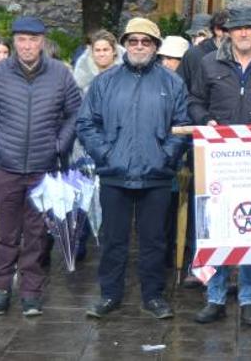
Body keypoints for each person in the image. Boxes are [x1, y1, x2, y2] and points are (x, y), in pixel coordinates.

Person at [77, 17, 189, 320]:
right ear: (125, 44)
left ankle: (153, 296)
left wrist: (165, 157)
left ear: (156, 46)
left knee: (154, 241)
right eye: (134, 41)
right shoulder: (106, 81)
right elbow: (86, 123)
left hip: (156, 176)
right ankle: (109, 294)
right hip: (115, 174)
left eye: (146, 41)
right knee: (114, 239)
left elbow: (182, 126)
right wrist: (106, 154)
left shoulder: (172, 82)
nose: (140, 46)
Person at [0, 16, 82, 316]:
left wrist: (59, 145)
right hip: (7, 167)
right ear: (14, 42)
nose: (27, 45)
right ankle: (1, 289)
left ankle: (31, 293)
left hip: (42, 168)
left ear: (42, 42)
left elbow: (75, 114)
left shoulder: (60, 74)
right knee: (7, 233)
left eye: (33, 40)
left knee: (36, 234)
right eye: (21, 39)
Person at [188, 7, 251, 326]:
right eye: (238, 28)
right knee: (218, 227)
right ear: (227, 32)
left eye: (250, 28)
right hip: (219, 159)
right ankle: (215, 297)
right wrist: (206, 120)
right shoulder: (208, 63)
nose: (244, 33)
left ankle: (249, 299)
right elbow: (193, 102)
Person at [179, 10, 228, 91]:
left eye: (201, 35)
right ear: (217, 30)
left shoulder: (237, 55)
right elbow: (180, 88)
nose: (196, 40)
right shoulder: (193, 55)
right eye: (193, 36)